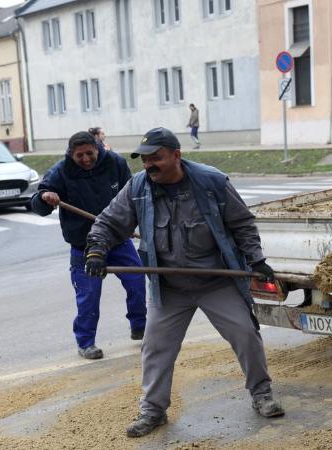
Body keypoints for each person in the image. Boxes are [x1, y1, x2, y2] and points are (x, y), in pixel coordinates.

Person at [85, 127, 284, 438]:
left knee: (246, 334)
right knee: (155, 347)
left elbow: (242, 223)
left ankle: (262, 395)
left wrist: (256, 259)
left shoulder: (211, 182)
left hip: (215, 281)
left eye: (156, 158)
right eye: (145, 159)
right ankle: (153, 410)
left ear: (176, 155)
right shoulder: (138, 187)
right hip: (169, 288)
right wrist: (97, 250)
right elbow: (109, 222)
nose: (149, 165)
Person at [30, 131, 146, 360]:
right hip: (83, 246)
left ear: (98, 148)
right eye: (79, 155)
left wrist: (134, 223)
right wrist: (45, 197)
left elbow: (133, 197)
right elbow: (37, 204)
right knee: (88, 296)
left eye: (89, 153)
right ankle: (86, 343)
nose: (85, 159)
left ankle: (140, 326)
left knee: (137, 282)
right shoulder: (60, 172)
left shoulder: (116, 163)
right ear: (70, 154)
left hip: (117, 239)